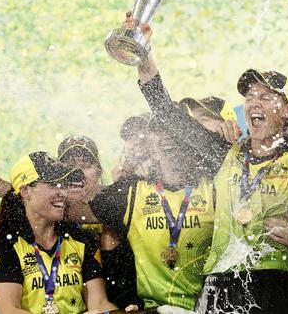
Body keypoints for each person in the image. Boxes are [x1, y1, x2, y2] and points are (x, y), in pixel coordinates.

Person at [124, 12, 288, 313]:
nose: (253, 103)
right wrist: (143, 54)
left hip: (270, 283)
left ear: (285, 110)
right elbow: (167, 112)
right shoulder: (225, 155)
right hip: (216, 284)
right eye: (248, 97)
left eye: (265, 97)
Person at [65, 114, 217, 311]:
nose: (166, 137)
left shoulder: (215, 186)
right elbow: (69, 211)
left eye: (172, 130)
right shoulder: (131, 190)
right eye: (158, 131)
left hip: (206, 308)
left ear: (188, 136)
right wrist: (19, 196)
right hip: (152, 309)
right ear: (152, 143)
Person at [0, 151, 117, 313]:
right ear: (25, 191)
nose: (63, 192)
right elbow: (10, 310)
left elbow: (100, 304)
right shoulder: (6, 245)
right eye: (53, 184)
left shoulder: (80, 240)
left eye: (63, 184)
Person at [57, 135, 140, 310]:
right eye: (70, 166)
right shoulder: (49, 217)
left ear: (99, 171)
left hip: (123, 304)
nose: (77, 172)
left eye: (86, 166)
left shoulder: (119, 206)